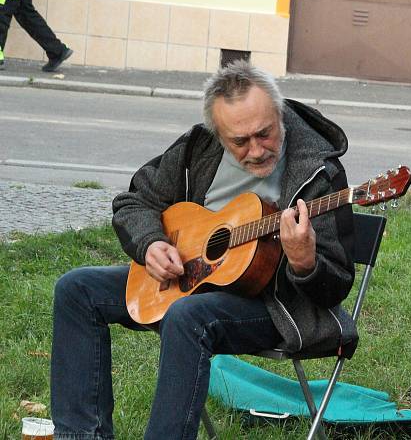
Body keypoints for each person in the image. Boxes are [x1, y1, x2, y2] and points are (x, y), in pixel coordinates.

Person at [50, 60, 356, 439]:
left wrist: (305, 261)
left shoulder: (319, 170)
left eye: (265, 133)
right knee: (76, 289)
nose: (256, 150)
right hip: (192, 281)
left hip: (278, 304)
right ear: (218, 134)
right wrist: (151, 244)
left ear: (279, 115)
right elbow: (135, 201)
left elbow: (337, 284)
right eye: (239, 142)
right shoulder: (199, 146)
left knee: (187, 315)